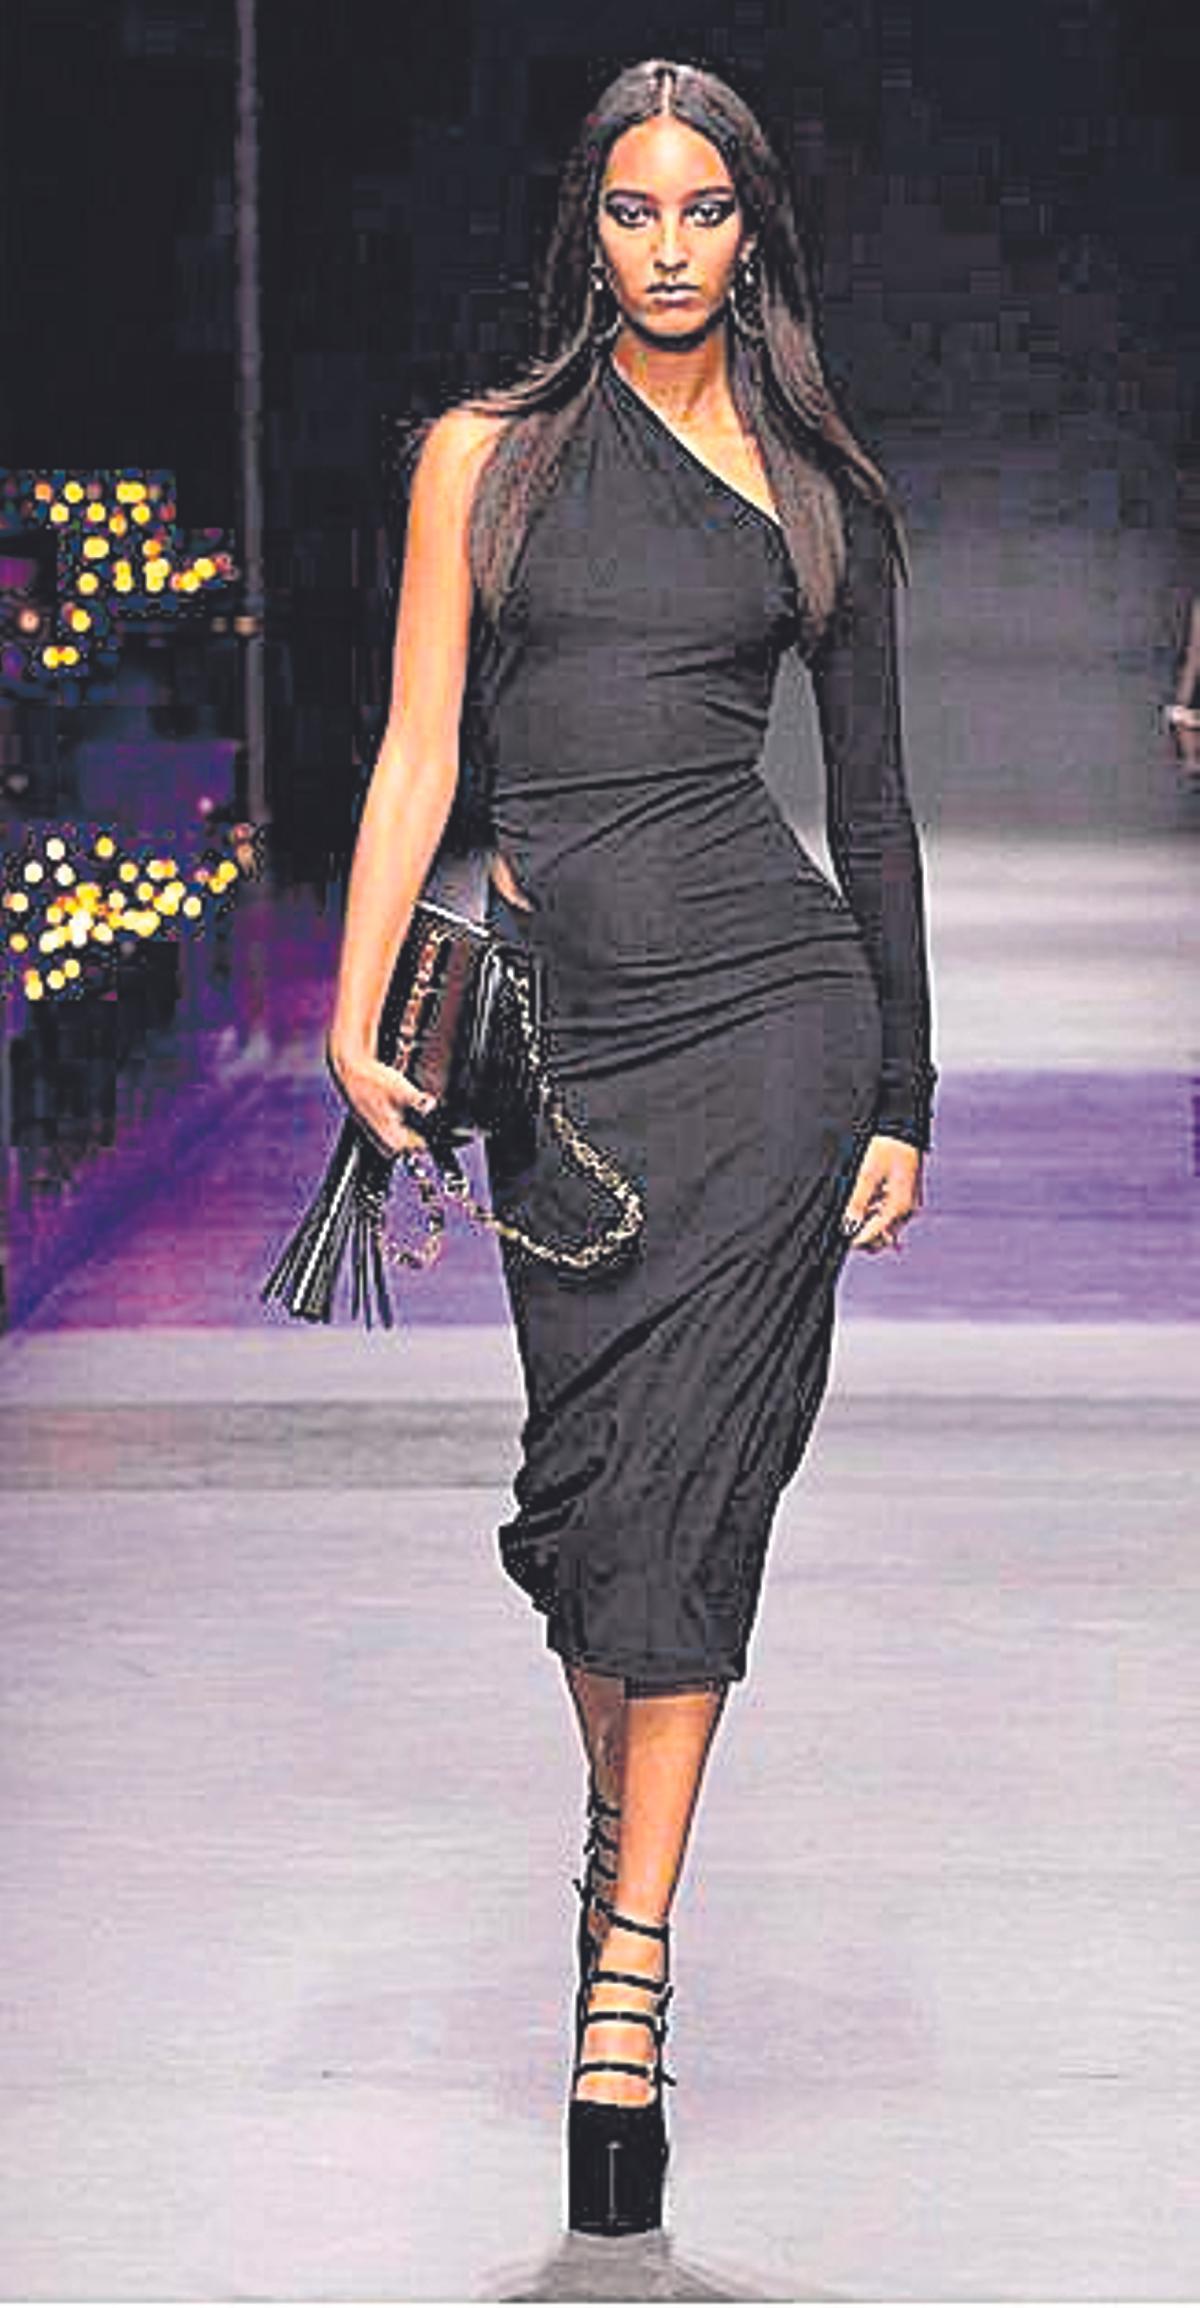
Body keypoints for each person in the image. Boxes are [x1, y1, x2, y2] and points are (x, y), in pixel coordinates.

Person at [327, 57, 938, 2238]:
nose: (668, 247)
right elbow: (418, 745)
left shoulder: (816, 491)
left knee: (689, 1504)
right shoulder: (482, 462)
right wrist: (355, 995)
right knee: (593, 1507)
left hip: (774, 1037)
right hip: (569, 1051)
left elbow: (873, 812)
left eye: (703, 211)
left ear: (751, 234)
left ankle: (625, 1978)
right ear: (586, 232)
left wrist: (903, 1092)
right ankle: (624, 1856)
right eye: (630, 209)